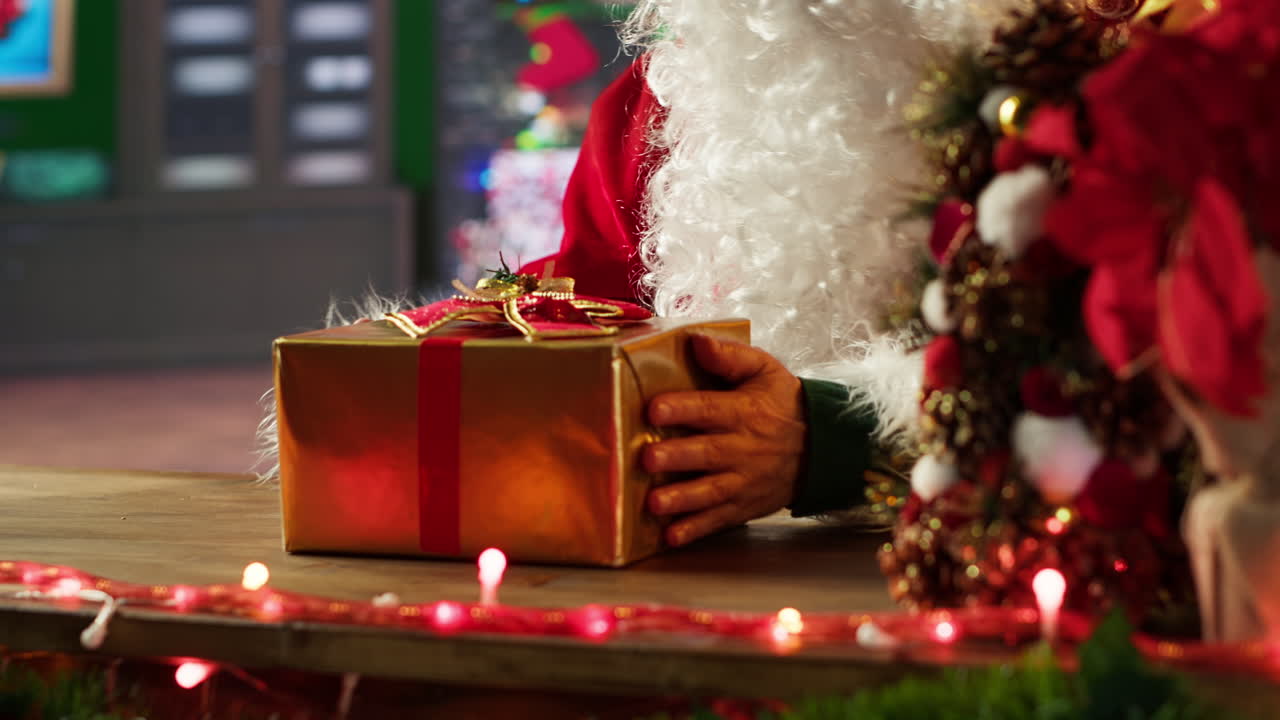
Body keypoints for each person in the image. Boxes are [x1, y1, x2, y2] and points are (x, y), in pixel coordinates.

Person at [522, 0, 1004, 547]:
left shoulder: (1047, 78)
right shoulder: (663, 98)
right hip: (702, 587)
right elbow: (576, 306)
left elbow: (1090, 384)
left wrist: (831, 440)